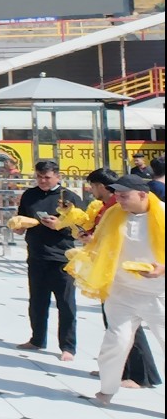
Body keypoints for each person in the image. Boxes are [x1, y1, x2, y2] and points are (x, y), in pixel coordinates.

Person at [65, 174, 165, 407]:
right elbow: (102, 243)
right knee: (115, 342)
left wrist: (162, 269)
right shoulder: (113, 214)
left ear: (142, 194)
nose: (118, 199)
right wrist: (90, 242)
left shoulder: (163, 213)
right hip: (121, 291)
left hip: (158, 294)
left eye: (124, 195)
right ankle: (107, 390)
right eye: (117, 195)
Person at [14, 159, 83, 360]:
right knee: (37, 300)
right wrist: (19, 226)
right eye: (39, 177)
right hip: (36, 254)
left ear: (57, 177)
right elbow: (22, 217)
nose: (43, 181)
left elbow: (81, 228)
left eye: (47, 177)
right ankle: (37, 338)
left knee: (66, 303)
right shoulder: (30, 195)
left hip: (62, 257)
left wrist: (60, 224)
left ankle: (68, 346)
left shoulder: (69, 197)